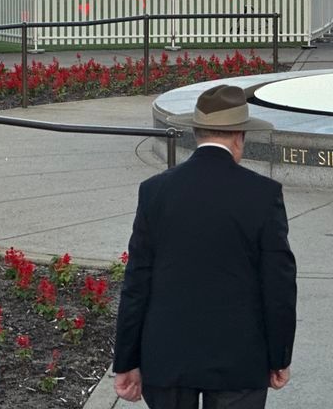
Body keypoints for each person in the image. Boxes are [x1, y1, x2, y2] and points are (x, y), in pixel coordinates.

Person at [113, 84, 297, 409]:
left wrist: (126, 360)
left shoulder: (155, 191)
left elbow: (137, 283)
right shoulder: (263, 195)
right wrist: (279, 355)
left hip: (167, 357)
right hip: (240, 359)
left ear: (197, 132)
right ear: (239, 136)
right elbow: (279, 285)